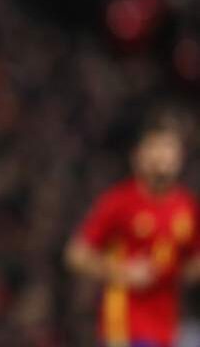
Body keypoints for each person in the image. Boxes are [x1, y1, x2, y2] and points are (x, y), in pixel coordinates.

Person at [65, 125, 200, 347]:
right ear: (138, 157)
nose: (162, 156)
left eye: (169, 149)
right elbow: (76, 254)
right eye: (155, 149)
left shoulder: (187, 207)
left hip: (165, 325)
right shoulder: (120, 202)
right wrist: (121, 272)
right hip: (125, 323)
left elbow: (192, 263)